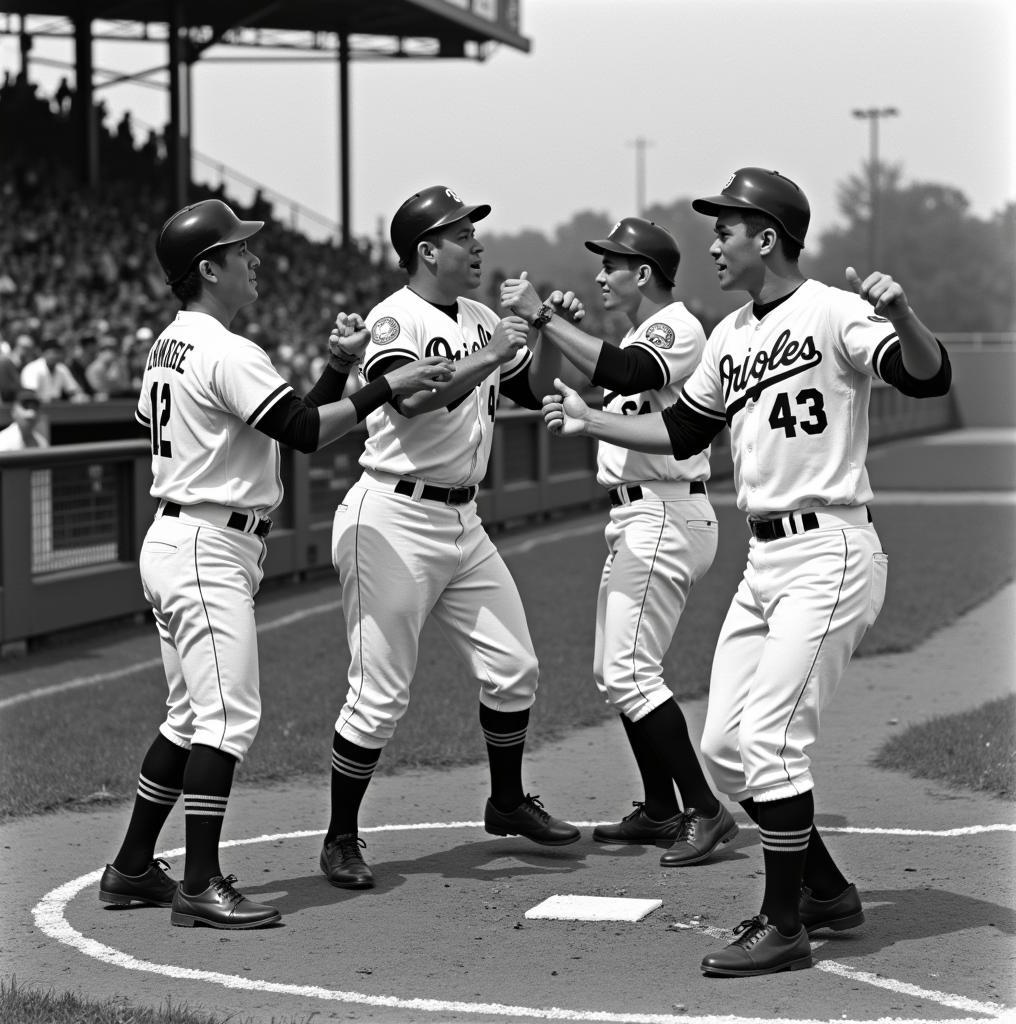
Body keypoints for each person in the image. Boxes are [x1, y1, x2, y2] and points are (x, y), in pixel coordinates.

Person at [542, 167, 951, 977]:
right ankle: (828, 890)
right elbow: (687, 427)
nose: (714, 244)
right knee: (727, 749)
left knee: (772, 739)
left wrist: (902, 313)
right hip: (764, 556)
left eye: (726, 229)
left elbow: (928, 374)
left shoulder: (834, 311)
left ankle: (783, 919)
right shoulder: (729, 334)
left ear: (767, 237)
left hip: (829, 547)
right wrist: (592, 417)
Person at [98, 198, 453, 930]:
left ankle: (133, 866)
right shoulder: (228, 350)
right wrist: (381, 385)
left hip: (180, 537)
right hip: (205, 542)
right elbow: (298, 430)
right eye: (240, 252)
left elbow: (284, 429)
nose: (254, 261)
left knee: (189, 716)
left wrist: (336, 373)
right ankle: (199, 881)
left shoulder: (170, 344)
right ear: (208, 268)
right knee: (227, 719)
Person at [320, 185, 581, 891]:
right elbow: (407, 401)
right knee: (378, 695)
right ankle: (340, 838)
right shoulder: (391, 319)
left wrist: (544, 329)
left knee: (514, 668)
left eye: (475, 234)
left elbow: (534, 392)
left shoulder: (479, 316)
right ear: (426, 250)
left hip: (463, 519)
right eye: (463, 236)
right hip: (393, 518)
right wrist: (494, 351)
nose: (478, 246)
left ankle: (506, 799)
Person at [499, 218, 737, 867]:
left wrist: (545, 319)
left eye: (613, 264)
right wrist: (553, 335)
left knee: (633, 672)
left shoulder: (677, 327)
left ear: (645, 272)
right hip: (639, 517)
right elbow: (565, 390)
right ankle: (662, 808)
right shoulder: (636, 333)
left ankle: (706, 811)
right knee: (616, 673)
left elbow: (630, 371)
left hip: (664, 511)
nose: (602, 274)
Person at [19, 339, 87, 403]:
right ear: (43, 353)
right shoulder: (32, 368)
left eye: (58, 352)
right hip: (35, 407)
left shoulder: (61, 368)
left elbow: (74, 391)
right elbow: (29, 395)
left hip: (56, 408)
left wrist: (79, 397)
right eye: (53, 352)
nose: (55, 356)